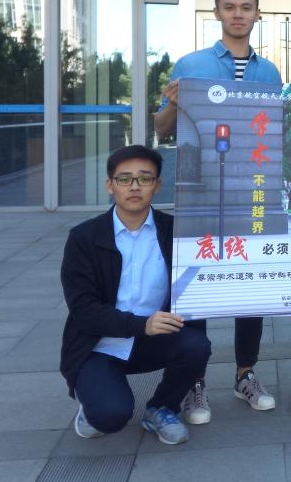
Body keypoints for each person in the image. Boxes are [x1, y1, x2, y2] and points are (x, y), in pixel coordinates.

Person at [153, 0, 282, 422]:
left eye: (246, 7)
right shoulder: (190, 65)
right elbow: (162, 130)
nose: (238, 14)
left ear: (257, 13)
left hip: (250, 193)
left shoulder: (269, 73)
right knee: (198, 287)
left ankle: (246, 374)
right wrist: (173, 103)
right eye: (230, 7)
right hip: (201, 194)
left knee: (251, 286)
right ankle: (195, 382)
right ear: (217, 13)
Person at [60, 145, 212, 446]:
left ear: (157, 185)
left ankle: (162, 408)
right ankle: (91, 406)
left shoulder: (176, 232)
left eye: (144, 179)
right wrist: (141, 325)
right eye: (124, 179)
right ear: (110, 185)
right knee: (110, 416)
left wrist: (287, 301)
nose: (134, 186)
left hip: (153, 340)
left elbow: (210, 283)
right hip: (99, 345)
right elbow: (83, 309)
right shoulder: (84, 238)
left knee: (197, 346)